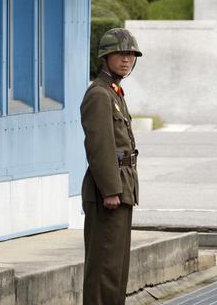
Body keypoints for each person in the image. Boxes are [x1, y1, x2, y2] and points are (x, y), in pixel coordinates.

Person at [80, 28, 143, 305]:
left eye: (130, 54)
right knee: (104, 267)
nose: (127, 59)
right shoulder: (99, 94)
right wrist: (110, 190)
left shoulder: (114, 92)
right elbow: (99, 146)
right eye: (120, 54)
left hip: (121, 186)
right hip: (108, 191)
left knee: (116, 267)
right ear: (106, 57)